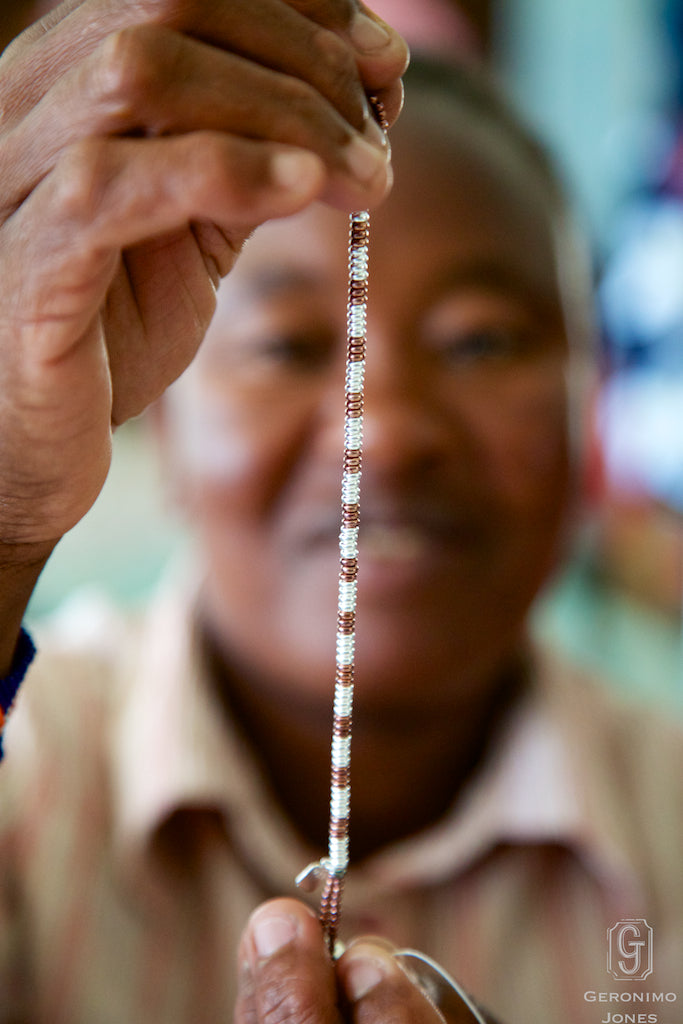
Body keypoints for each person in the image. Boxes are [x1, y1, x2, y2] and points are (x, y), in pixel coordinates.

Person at [1, 3, 682, 1024]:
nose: (390, 432)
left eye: (482, 342)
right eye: (283, 345)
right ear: (163, 425)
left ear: (592, 414)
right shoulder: (29, 790)